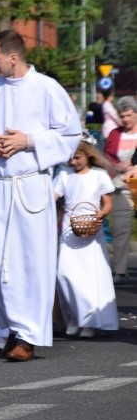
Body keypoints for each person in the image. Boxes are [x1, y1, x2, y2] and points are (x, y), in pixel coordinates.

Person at [0, 29, 82, 361]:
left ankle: (26, 334)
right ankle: (4, 328)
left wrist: (27, 141)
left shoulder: (46, 88)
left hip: (31, 185)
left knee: (29, 262)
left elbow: (70, 134)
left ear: (13, 57)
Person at [55, 139, 117, 338]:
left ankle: (88, 321)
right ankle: (74, 315)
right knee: (64, 274)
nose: (74, 162)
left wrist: (101, 214)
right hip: (69, 227)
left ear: (89, 154)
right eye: (71, 159)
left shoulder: (99, 176)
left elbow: (107, 202)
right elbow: (52, 197)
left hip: (91, 228)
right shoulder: (64, 175)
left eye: (77, 157)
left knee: (90, 276)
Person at [102, 96, 137, 285]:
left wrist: (132, 164)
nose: (125, 119)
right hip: (120, 186)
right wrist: (117, 166)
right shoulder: (115, 134)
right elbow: (105, 158)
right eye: (122, 116)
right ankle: (121, 270)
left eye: (129, 115)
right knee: (121, 230)